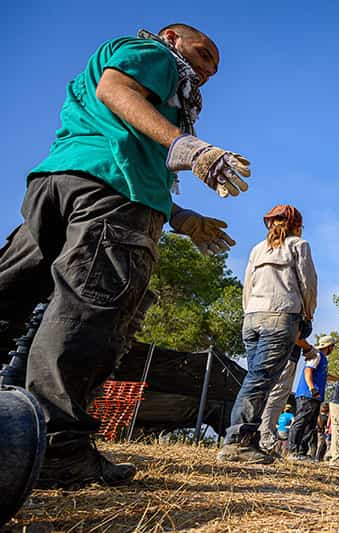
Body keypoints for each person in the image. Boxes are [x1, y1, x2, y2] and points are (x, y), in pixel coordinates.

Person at [0, 23, 250, 489]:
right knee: (88, 313)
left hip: (59, 183)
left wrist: (179, 216)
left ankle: (14, 426)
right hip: (111, 199)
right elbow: (115, 90)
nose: (208, 70)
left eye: (215, 67)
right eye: (204, 53)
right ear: (171, 37)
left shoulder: (130, 66)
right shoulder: (156, 56)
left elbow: (122, 147)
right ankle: (57, 448)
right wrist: (187, 145)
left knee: (11, 296)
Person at [217, 204, 317, 464]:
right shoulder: (299, 245)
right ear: (298, 226)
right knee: (260, 381)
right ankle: (237, 442)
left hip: (252, 317)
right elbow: (308, 283)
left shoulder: (257, 249)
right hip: (280, 316)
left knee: (256, 380)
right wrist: (308, 314)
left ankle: (249, 440)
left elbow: (247, 286)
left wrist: (248, 313)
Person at [258, 322, 313, 453]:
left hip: (269, 353)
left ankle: (260, 437)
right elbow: (295, 335)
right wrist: (309, 349)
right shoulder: (297, 313)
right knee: (277, 396)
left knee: (267, 395)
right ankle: (265, 440)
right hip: (286, 357)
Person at [287, 335, 339, 460]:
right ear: (329, 346)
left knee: (310, 425)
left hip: (316, 397)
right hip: (307, 394)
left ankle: (302, 453)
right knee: (301, 422)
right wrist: (312, 388)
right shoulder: (316, 355)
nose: (333, 349)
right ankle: (292, 451)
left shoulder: (323, 359)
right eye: (332, 346)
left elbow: (325, 376)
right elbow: (308, 371)